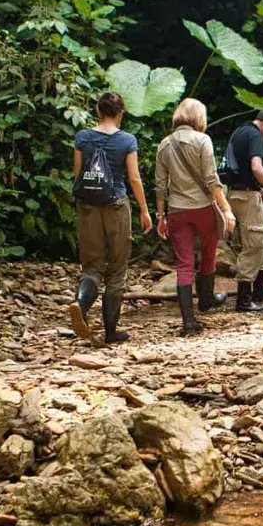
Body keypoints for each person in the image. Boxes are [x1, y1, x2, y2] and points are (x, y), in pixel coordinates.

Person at [69, 92, 152, 346]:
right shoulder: (127, 140)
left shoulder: (83, 137)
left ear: (98, 111)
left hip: (88, 207)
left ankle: (80, 306)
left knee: (92, 266)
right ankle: (111, 331)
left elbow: (78, 173)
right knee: (117, 270)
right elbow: (134, 178)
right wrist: (144, 210)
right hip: (116, 205)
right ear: (121, 113)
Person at [155, 98, 237, 336]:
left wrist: (161, 215)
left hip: (177, 210)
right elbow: (211, 179)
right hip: (202, 208)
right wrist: (226, 208)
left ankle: (188, 322)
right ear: (198, 118)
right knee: (210, 249)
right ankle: (206, 300)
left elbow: (160, 185)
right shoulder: (203, 140)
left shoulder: (164, 144)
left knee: (184, 264)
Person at [221, 107, 263, 312]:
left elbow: (244, 170)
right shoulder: (255, 135)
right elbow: (256, 168)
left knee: (261, 237)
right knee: (255, 244)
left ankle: (258, 287)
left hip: (233, 194)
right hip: (247, 198)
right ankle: (244, 300)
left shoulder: (239, 131)